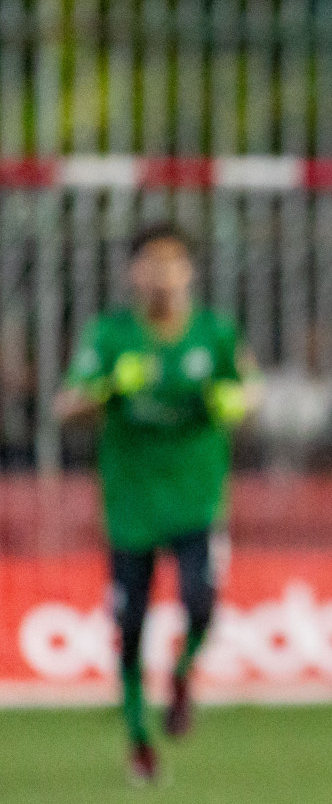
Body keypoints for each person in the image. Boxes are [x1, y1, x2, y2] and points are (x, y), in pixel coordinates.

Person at [54, 222, 258, 785]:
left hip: (197, 499)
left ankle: (183, 676)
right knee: (131, 622)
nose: (162, 275)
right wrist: (111, 389)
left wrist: (233, 401)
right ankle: (140, 741)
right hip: (131, 505)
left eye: (173, 262)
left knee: (200, 603)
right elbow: (65, 407)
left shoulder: (215, 333)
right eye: (150, 263)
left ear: (189, 271)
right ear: (133, 272)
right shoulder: (110, 336)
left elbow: (251, 389)